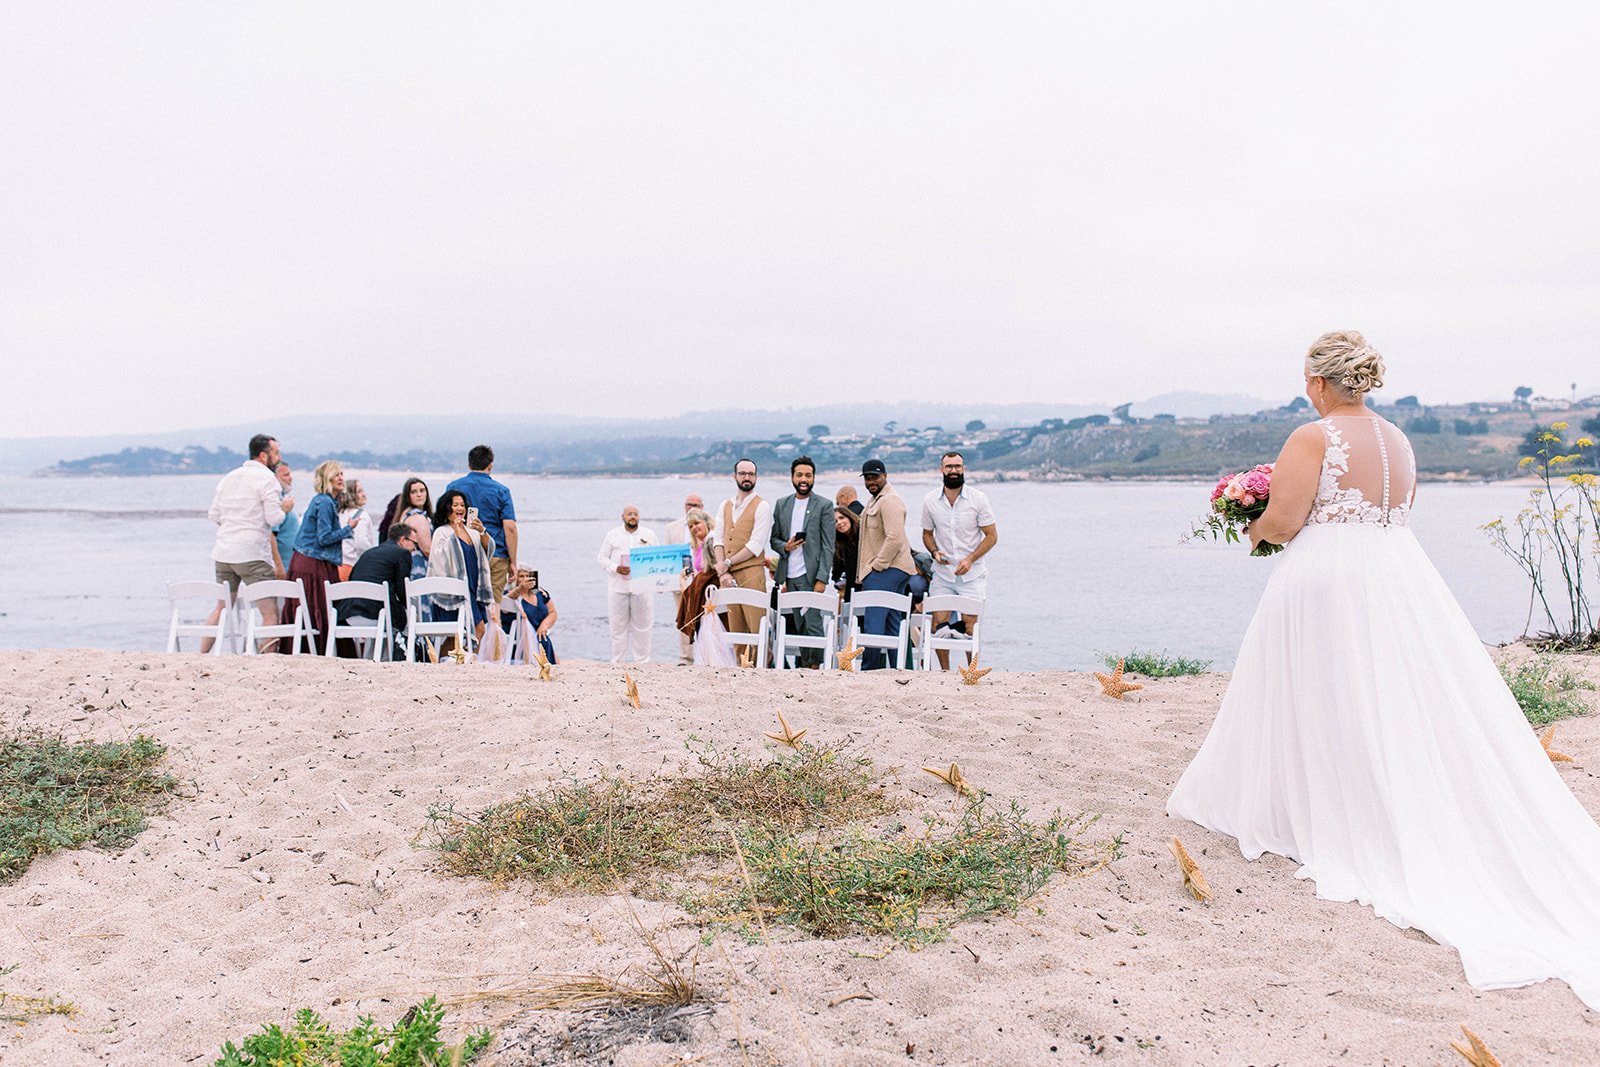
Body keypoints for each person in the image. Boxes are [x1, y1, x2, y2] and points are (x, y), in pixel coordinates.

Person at [1168, 331, 1600, 1010]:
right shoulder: (1399, 438)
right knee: (1389, 693)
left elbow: (1284, 522)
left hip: (1328, 578)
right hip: (1397, 574)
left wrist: (1248, 522)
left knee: (1320, 695)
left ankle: (1314, 806)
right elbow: (1395, 509)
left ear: (1317, 380)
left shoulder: (1312, 438)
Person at [203, 434, 291, 651]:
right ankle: (267, 658)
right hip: (252, 554)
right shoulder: (268, 480)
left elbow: (214, 515)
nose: (278, 457)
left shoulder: (229, 477)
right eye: (276, 453)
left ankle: (201, 654)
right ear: (263, 455)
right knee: (269, 611)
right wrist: (285, 509)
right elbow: (273, 519)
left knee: (222, 609)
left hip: (224, 552)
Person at [920, 450, 998, 669]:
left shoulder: (978, 499)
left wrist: (970, 559)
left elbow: (992, 536)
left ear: (963, 469)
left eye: (957, 466)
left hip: (972, 575)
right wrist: (935, 552)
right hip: (943, 574)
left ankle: (970, 671)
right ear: (941, 470)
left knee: (970, 627)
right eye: (949, 466)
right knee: (939, 625)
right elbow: (927, 534)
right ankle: (944, 671)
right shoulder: (930, 501)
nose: (953, 470)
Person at [287, 460, 361, 652]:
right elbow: (324, 538)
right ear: (326, 479)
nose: (341, 478)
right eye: (336, 474)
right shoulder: (325, 502)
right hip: (314, 563)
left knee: (307, 609)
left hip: (307, 559)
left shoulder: (321, 501)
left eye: (342, 474)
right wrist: (348, 529)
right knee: (321, 608)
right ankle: (324, 650)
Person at [769, 456, 836, 667]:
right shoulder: (782, 504)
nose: (804, 479)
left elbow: (828, 545)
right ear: (792, 477)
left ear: (814, 477)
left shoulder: (824, 505)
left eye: (808, 475)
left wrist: (822, 578)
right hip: (789, 575)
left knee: (813, 623)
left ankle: (816, 666)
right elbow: (774, 539)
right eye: (799, 475)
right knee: (798, 624)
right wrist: (785, 547)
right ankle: (805, 665)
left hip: (811, 575)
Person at [855, 459, 916, 669]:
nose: (871, 481)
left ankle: (869, 671)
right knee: (892, 623)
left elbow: (894, 538)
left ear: (885, 476)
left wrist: (876, 567)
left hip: (888, 569)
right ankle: (901, 669)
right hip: (894, 569)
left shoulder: (890, 500)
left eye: (875, 476)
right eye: (868, 477)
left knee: (873, 623)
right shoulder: (875, 500)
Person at [711, 459, 772, 665]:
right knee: (735, 626)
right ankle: (739, 667)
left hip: (752, 573)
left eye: (751, 474)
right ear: (734, 476)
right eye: (743, 473)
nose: (747, 477)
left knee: (756, 626)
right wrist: (722, 571)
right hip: (727, 576)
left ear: (756, 477)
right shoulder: (725, 505)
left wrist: (727, 563)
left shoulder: (762, 506)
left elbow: (756, 544)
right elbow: (718, 538)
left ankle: (758, 667)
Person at [425, 489, 497, 648]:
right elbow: (438, 557)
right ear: (447, 508)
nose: (460, 508)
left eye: (462, 505)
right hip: (454, 590)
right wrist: (455, 533)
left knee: (472, 631)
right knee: (461, 634)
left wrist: (482, 531)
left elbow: (488, 550)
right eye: (455, 505)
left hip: (474, 586)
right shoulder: (442, 532)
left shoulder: (472, 531)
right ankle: (463, 661)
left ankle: (459, 661)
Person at [446, 445, 518, 599]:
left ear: (469, 464)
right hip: (496, 553)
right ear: (490, 465)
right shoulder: (501, 491)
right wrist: (513, 561)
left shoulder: (453, 487)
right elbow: (510, 528)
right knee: (493, 604)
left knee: (466, 601)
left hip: (463, 550)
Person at [339, 524, 415, 658]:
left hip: (349, 612)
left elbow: (352, 578)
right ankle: (406, 657)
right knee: (406, 616)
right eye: (414, 544)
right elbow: (403, 590)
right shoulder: (402, 553)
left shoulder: (370, 552)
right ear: (403, 540)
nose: (415, 548)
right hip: (375, 615)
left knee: (388, 610)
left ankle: (372, 657)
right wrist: (408, 607)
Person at [598, 505, 658, 664]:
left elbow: (658, 558)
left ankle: (643, 662)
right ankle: (618, 662)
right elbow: (602, 558)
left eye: (636, 514)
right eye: (629, 514)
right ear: (623, 516)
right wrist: (615, 568)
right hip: (618, 588)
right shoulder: (613, 535)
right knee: (617, 627)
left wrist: (659, 584)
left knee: (643, 626)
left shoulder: (649, 535)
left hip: (642, 588)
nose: (633, 517)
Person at [665, 493, 706, 664]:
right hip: (681, 580)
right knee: (683, 618)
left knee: (705, 619)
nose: (692, 508)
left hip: (702, 580)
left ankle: (705, 656)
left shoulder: (709, 527)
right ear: (684, 506)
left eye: (696, 505)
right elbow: (667, 556)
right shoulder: (672, 528)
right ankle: (685, 658)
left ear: (702, 508)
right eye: (689, 504)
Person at [385, 478, 434, 583]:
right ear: (408, 496)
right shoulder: (417, 517)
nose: (419, 494)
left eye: (422, 490)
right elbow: (427, 550)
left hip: (407, 565)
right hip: (420, 567)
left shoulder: (404, 514)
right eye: (414, 492)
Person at [506, 568, 558, 665]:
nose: (526, 579)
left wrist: (544, 625)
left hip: (539, 633)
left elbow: (553, 612)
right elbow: (503, 604)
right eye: (521, 576)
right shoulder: (511, 594)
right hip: (520, 637)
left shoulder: (541, 594)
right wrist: (519, 589)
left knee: (543, 637)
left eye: (528, 576)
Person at [336, 479, 375, 581]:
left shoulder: (339, 514)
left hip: (336, 566)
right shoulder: (360, 515)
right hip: (352, 567)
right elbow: (361, 542)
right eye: (359, 491)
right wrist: (374, 555)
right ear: (351, 495)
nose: (364, 494)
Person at [271, 460, 299, 580]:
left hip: (291, 565)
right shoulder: (275, 502)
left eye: (290, 474)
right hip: (283, 568)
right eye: (286, 475)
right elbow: (270, 535)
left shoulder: (283, 499)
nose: (290, 478)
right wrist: (278, 566)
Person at [830, 505, 860, 596]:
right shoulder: (839, 544)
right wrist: (839, 582)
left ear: (850, 517)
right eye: (835, 521)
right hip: (849, 589)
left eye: (841, 518)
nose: (839, 522)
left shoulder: (862, 535)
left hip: (864, 587)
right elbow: (836, 571)